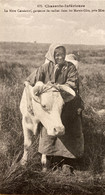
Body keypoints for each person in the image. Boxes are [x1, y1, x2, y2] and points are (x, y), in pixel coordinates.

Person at [24, 43, 84, 171]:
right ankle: (48, 158)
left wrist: (57, 86)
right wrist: (30, 102)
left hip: (68, 101)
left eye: (62, 54)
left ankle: (67, 162)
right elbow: (28, 82)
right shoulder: (45, 67)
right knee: (49, 125)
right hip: (52, 104)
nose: (60, 57)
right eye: (56, 55)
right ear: (51, 55)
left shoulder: (70, 67)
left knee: (71, 124)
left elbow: (72, 84)